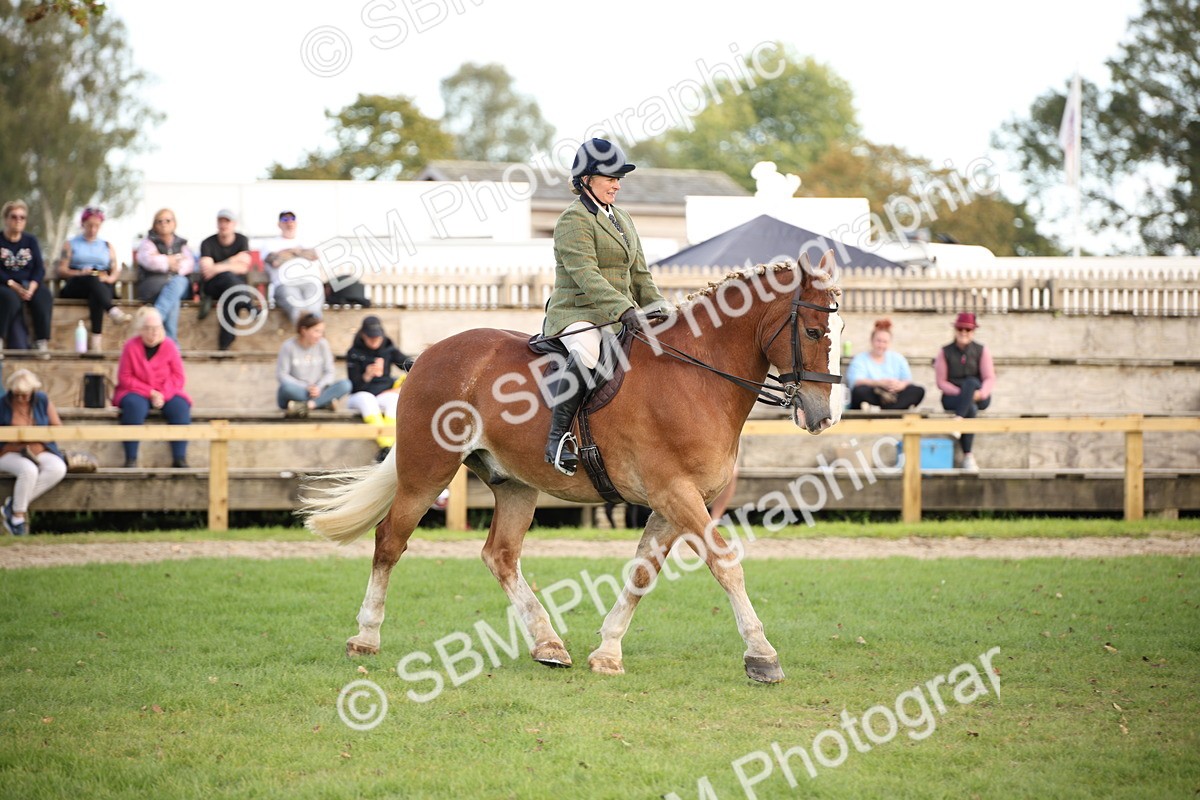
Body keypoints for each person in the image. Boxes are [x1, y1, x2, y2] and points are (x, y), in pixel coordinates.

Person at [541, 137, 669, 475]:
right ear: (586, 180)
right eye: (610, 177)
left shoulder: (623, 218)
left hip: (616, 314)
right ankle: (558, 440)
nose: (617, 184)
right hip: (577, 313)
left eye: (619, 177)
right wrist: (625, 310)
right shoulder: (573, 220)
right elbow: (587, 276)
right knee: (587, 353)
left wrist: (661, 307)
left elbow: (640, 274)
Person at [113, 306, 192, 468]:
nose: (154, 332)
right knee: (133, 406)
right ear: (141, 330)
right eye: (149, 329)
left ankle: (180, 458)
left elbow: (178, 377)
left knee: (180, 407)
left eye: (157, 328)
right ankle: (131, 458)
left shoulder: (170, 346)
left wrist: (162, 394)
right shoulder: (130, 347)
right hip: (136, 391)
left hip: (166, 391)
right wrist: (150, 392)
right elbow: (125, 377)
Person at [260, 210, 370, 324]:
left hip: (311, 282)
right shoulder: (270, 243)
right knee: (298, 312)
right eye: (285, 219)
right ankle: (309, 337)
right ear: (279, 224)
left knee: (314, 313)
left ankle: (312, 337)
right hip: (285, 284)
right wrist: (298, 251)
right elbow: (274, 261)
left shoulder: (307, 239)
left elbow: (313, 255)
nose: (289, 222)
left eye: (292, 219)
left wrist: (285, 253)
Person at [0, 368, 67, 535]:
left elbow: (57, 427)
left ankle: (13, 504)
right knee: (28, 470)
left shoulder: (42, 400)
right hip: (7, 452)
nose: (21, 398)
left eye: (25, 394)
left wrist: (39, 442)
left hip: (38, 448)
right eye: (17, 395)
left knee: (58, 468)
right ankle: (17, 517)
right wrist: (17, 445)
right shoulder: (2, 404)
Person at [55, 206, 132, 351]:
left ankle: (96, 341)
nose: (93, 229)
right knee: (91, 277)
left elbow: (115, 270)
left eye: (97, 225)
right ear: (83, 224)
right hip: (77, 283)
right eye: (90, 225)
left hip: (101, 283)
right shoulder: (71, 244)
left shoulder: (107, 245)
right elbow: (62, 270)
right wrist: (80, 273)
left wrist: (109, 279)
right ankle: (112, 310)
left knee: (96, 290)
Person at [934, 312, 996, 472]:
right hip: (953, 396)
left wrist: (980, 393)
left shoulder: (981, 350)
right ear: (955, 330)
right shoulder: (945, 352)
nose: (963, 333)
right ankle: (968, 456)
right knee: (971, 408)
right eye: (960, 329)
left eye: (967, 330)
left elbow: (989, 378)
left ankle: (958, 420)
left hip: (978, 395)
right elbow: (941, 382)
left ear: (973, 332)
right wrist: (963, 395)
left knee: (972, 382)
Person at [346, 314, 410, 461]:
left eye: (377, 337)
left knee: (394, 400)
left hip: (383, 392)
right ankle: (387, 446)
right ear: (363, 335)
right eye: (371, 338)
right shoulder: (354, 353)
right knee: (368, 400)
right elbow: (354, 385)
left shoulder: (388, 348)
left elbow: (406, 363)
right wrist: (367, 375)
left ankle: (388, 448)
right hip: (360, 394)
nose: (375, 341)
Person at [135, 208, 194, 344]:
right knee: (173, 299)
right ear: (154, 225)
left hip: (178, 286)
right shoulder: (148, 242)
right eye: (159, 221)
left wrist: (163, 260)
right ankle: (172, 346)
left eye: (168, 220)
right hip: (154, 287)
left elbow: (189, 264)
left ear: (174, 223)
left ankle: (155, 318)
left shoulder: (182, 244)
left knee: (178, 282)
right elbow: (149, 260)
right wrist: (170, 261)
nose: (164, 223)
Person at [0, 200, 53, 352]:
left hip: (28, 284)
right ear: (6, 219)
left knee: (44, 296)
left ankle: (41, 341)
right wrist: (12, 284)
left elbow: (39, 268)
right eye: (14, 217)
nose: (18, 220)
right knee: (9, 299)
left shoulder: (31, 241)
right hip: (5, 284)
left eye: (22, 217)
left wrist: (33, 286)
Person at [198, 209, 253, 351]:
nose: (223, 225)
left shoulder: (242, 240)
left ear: (234, 224)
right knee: (229, 278)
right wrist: (234, 261)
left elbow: (244, 268)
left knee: (233, 296)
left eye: (227, 221)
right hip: (214, 287)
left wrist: (217, 267)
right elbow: (206, 270)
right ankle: (248, 304)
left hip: (234, 290)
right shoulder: (207, 243)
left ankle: (225, 344)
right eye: (220, 221)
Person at [277, 312, 351, 417]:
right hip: (300, 391)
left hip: (318, 391)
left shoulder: (323, 344)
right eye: (316, 331)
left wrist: (319, 387)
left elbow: (329, 371)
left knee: (345, 385)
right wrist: (306, 387)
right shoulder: (288, 347)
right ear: (304, 330)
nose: (319, 335)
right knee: (286, 389)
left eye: (321, 332)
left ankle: (308, 405)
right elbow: (282, 375)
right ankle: (324, 402)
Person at [845, 318, 925, 410]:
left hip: (893, 394)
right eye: (878, 341)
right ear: (872, 340)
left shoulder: (898, 358)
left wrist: (900, 385)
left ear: (889, 343)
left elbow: (907, 380)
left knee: (918, 391)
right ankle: (894, 408)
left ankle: (881, 409)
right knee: (859, 391)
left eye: (885, 342)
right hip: (874, 393)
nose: (881, 345)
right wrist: (879, 383)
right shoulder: (860, 359)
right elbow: (856, 381)